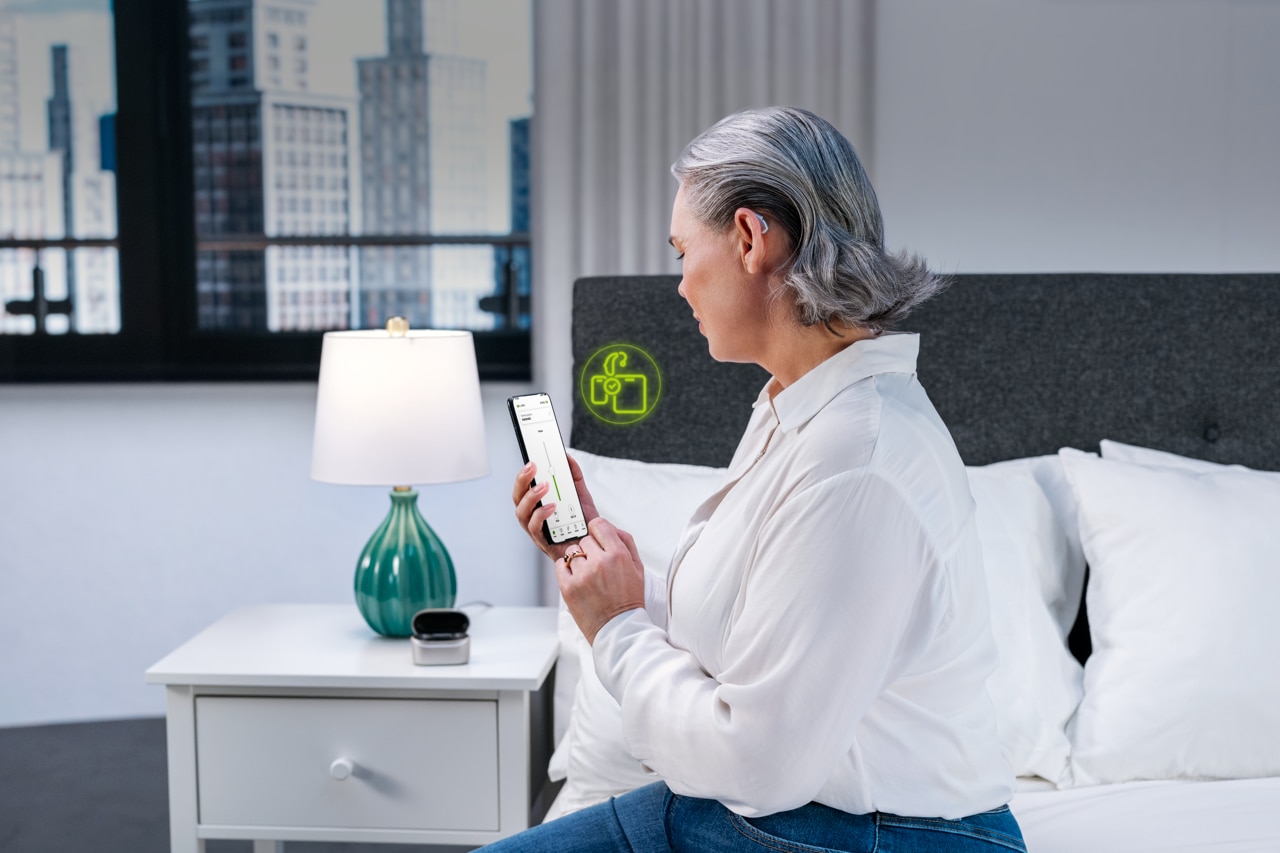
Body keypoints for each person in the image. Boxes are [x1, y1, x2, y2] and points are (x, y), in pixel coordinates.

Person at [494, 106, 1025, 852]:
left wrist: (613, 629)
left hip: (870, 834)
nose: (679, 286)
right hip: (774, 816)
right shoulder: (799, 405)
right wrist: (613, 570)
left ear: (750, 238)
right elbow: (753, 629)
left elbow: (758, 761)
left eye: (683, 251)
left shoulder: (858, 461)